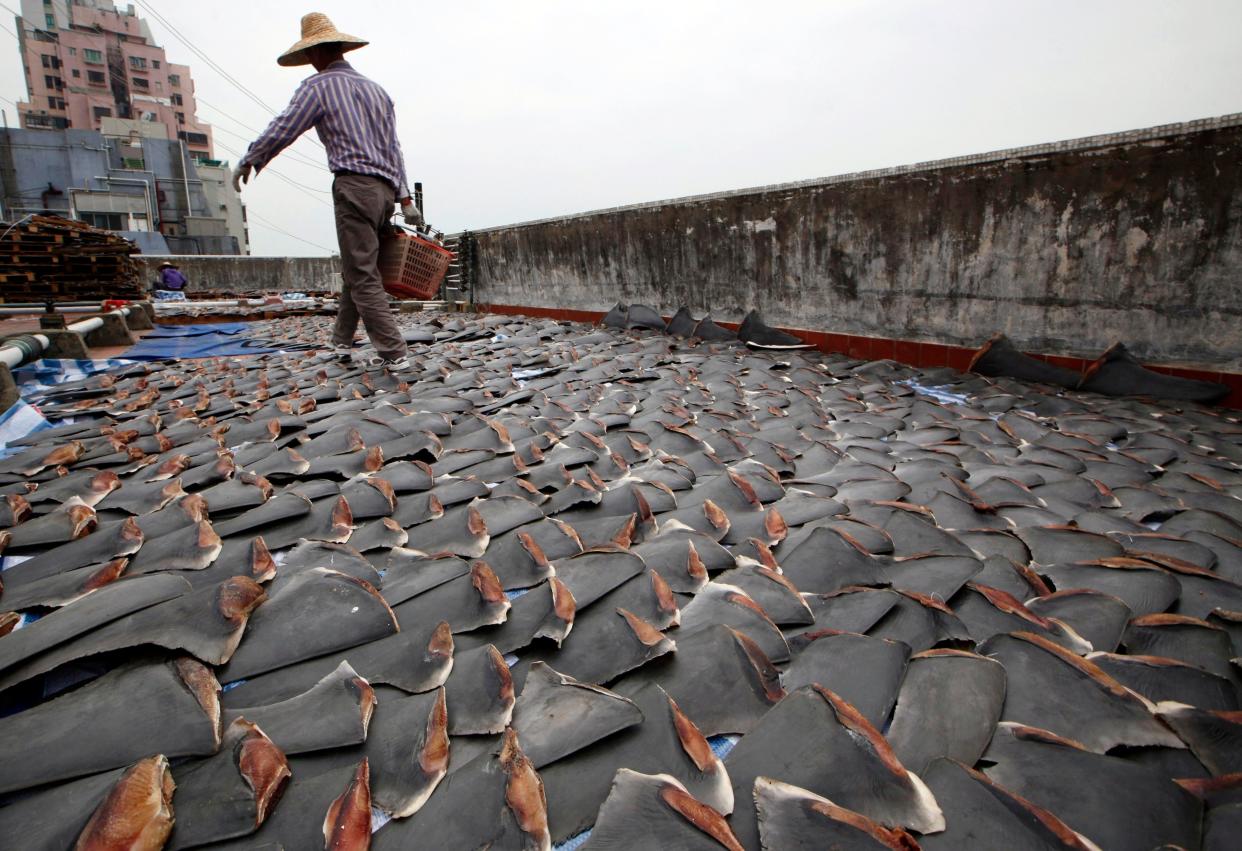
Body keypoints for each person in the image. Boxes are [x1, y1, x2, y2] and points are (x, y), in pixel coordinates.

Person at [232, 12, 422, 370]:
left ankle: (395, 353)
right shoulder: (377, 91)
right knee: (359, 265)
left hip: (354, 185)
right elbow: (394, 148)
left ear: (315, 53)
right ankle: (341, 342)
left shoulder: (317, 87)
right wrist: (405, 198)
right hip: (384, 194)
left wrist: (251, 158)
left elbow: (285, 126)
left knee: (363, 274)